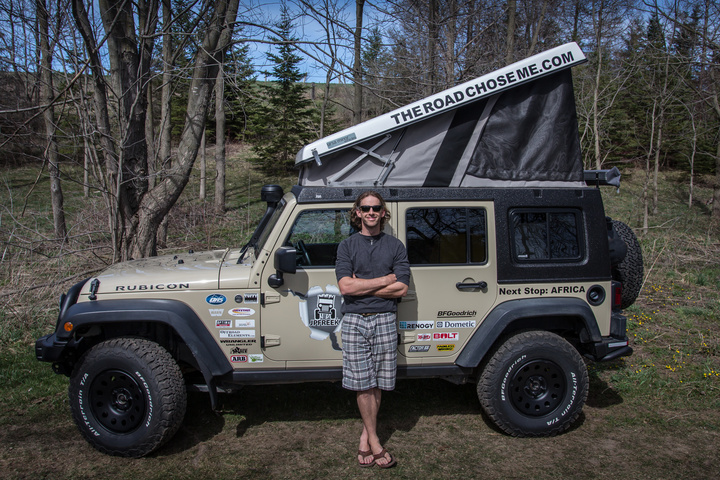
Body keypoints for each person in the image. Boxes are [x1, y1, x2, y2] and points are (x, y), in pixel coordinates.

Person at [335, 191, 410, 469]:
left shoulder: (395, 246)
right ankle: (376, 441)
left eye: (376, 208)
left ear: (382, 212)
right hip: (355, 320)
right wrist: (385, 279)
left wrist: (363, 285)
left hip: (384, 319)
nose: (370, 212)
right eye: (365, 208)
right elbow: (345, 287)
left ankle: (365, 435)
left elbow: (402, 287)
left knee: (378, 382)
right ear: (357, 212)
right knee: (362, 383)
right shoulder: (346, 246)